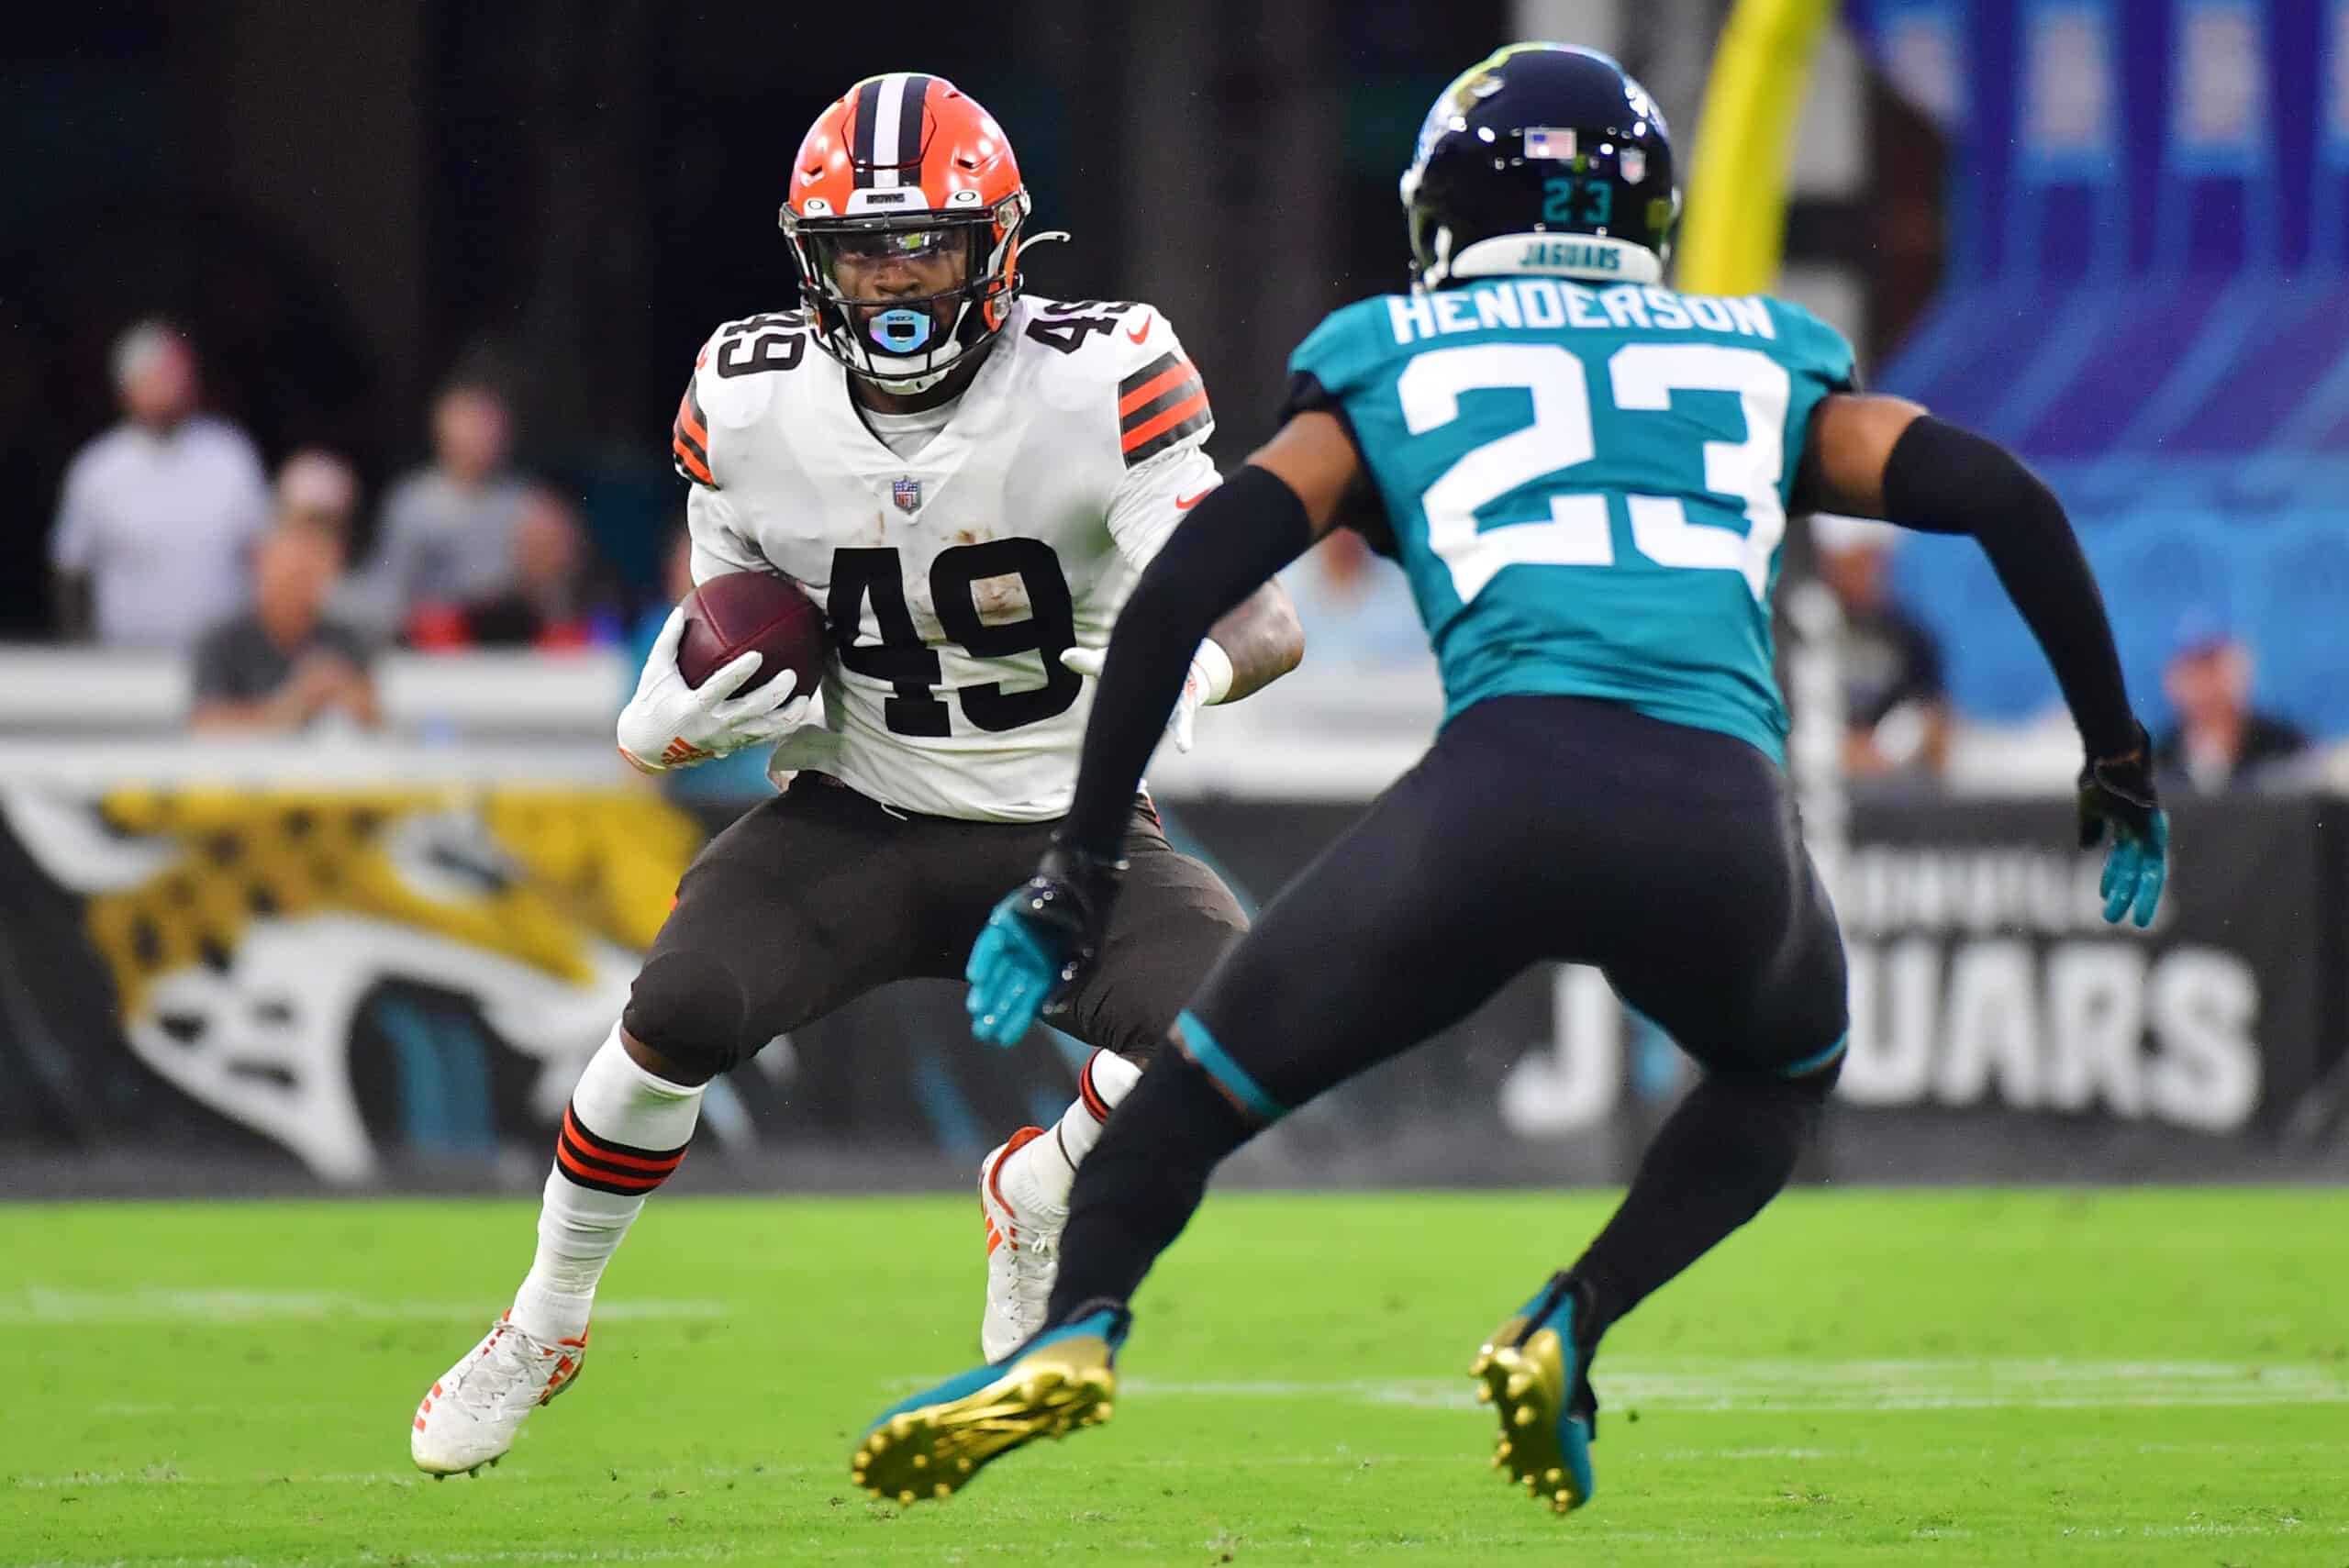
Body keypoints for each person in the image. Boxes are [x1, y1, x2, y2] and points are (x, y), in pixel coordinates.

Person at [856, 43, 2171, 1517]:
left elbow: (1181, 594)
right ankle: (1573, 1317)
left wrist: (1077, 869)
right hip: (1715, 815)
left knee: (1201, 1092)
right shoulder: (1757, 350)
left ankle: (1081, 1326)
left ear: (1442, 216)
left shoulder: (1392, 355)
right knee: (1784, 1068)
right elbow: (2007, 498)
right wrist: (2118, 759)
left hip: (1493, 801)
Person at [407, 72, 1302, 1476]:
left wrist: (1181, 664)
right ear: (810, 262)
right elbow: (725, 606)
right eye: (863, 251)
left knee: (1249, 1026)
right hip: (856, 819)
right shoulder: (752, 398)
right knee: (677, 1009)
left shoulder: (1099, 373)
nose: (895, 280)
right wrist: (664, 717)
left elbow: (1259, 605)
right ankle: (542, 1320)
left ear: (998, 245)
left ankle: (1042, 1185)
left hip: (1067, 832)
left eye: (925, 244)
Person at [50, 320, 272, 649]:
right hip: (127, 664)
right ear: (127, 387)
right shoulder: (98, 469)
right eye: (158, 376)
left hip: (222, 665)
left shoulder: (229, 454)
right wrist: (81, 653)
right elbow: (70, 568)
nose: (173, 386)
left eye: (179, 375)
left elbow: (265, 554)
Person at [351, 379, 531, 640]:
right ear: (444, 435)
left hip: (509, 643)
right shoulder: (413, 502)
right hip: (429, 645)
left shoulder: (528, 503)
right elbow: (389, 592)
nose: (482, 436)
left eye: (488, 424)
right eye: (471, 425)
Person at [188, 517, 378, 733]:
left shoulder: (346, 638)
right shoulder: (222, 641)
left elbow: (377, 721)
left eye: (308, 576)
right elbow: (206, 723)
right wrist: (292, 706)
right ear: (262, 568)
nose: (297, 587)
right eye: (290, 574)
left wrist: (345, 693)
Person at [1809, 512, 1949, 781]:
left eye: (1875, 557)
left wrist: (1890, 748)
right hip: (1817, 780)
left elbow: (1938, 723)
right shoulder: (1801, 632)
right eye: (1857, 559)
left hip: (1891, 791)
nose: (1869, 569)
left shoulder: (1911, 637)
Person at [406, 488, 620, 651]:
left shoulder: (602, 617)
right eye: (534, 545)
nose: (545, 556)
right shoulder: (487, 617)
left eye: (553, 543)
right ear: (517, 550)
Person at [2153, 612, 2310, 793]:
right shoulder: (2160, 758)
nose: (2205, 686)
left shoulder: (2285, 747)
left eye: (2213, 670)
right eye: (2194, 672)